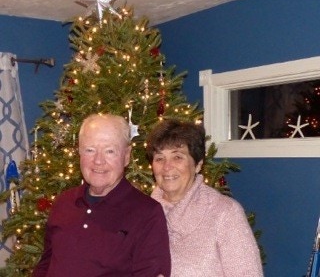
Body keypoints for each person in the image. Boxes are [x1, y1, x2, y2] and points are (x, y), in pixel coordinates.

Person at [33, 113, 171, 277]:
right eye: (90, 150)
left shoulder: (147, 213)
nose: (98, 161)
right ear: (79, 152)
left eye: (110, 151)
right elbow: (46, 263)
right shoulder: (64, 202)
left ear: (126, 156)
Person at [146, 119, 264, 277]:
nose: (167, 167)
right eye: (159, 158)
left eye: (177, 157)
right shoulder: (142, 214)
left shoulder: (225, 213)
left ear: (198, 164)